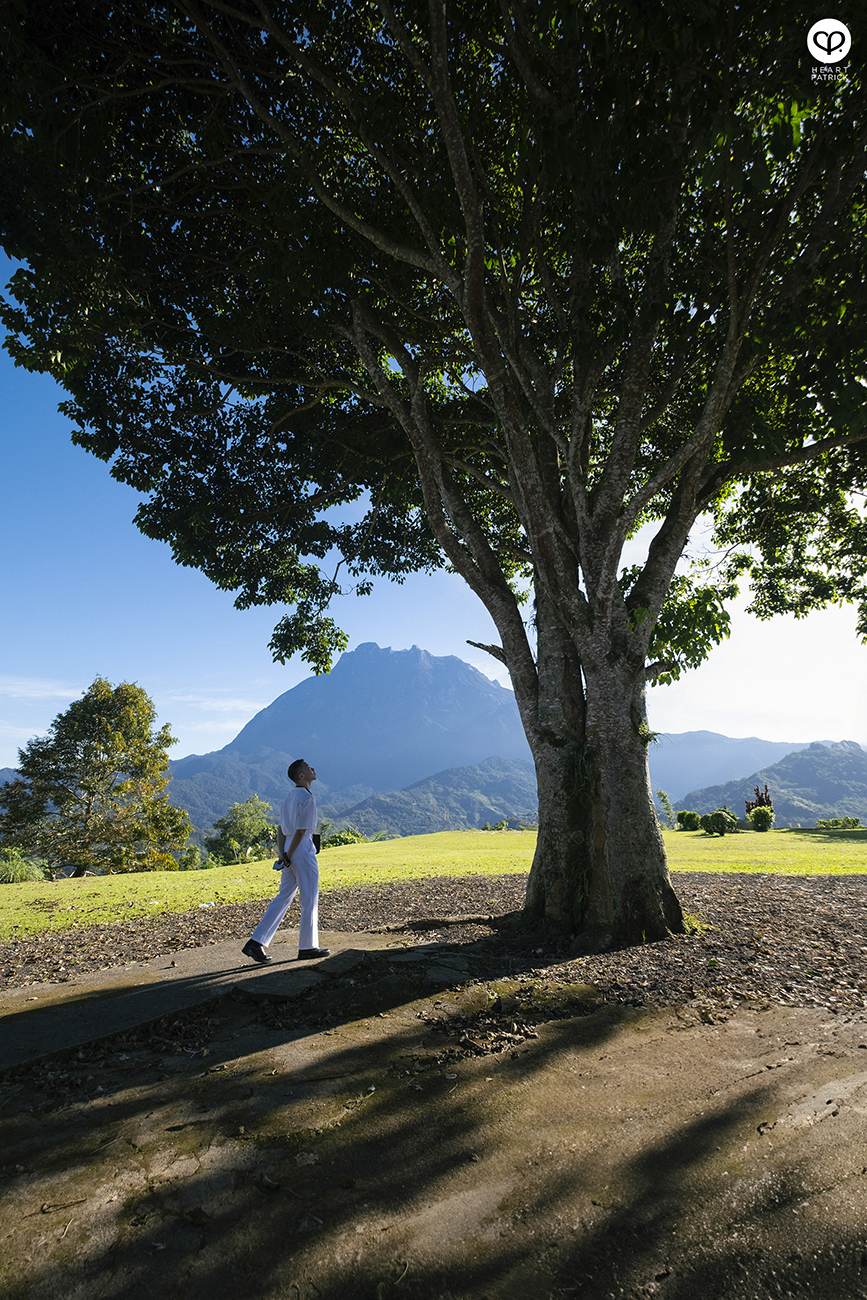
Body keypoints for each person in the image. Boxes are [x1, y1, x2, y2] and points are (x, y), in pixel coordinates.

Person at [241, 758, 330, 963]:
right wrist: (290, 853)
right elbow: (300, 832)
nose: (312, 768)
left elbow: (281, 829)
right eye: (307, 768)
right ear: (301, 776)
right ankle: (308, 946)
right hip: (302, 849)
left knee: (284, 896)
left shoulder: (288, 797)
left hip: (288, 849)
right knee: (309, 898)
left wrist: (282, 853)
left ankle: (256, 942)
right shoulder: (307, 798)